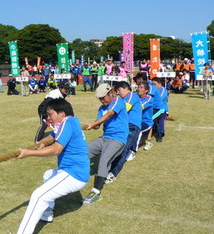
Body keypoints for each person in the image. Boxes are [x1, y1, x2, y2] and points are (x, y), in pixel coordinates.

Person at [16, 99, 89, 234]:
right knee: (48, 175)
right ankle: (47, 212)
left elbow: (56, 149)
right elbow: (51, 137)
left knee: (38, 196)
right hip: (71, 171)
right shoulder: (68, 122)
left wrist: (29, 153)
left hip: (74, 174)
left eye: (50, 114)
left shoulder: (67, 123)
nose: (48, 118)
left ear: (62, 113)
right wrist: (40, 143)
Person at [82, 83, 128, 205]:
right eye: (100, 98)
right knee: (83, 152)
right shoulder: (101, 108)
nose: (102, 100)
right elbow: (98, 125)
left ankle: (96, 192)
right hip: (104, 138)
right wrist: (93, 124)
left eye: (103, 97)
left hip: (118, 139)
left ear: (110, 93)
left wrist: (96, 123)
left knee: (104, 160)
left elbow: (109, 114)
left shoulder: (117, 102)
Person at [106, 81, 142, 183]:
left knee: (124, 149)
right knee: (117, 147)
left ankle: (113, 173)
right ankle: (109, 168)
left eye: (118, 90)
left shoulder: (131, 96)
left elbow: (125, 108)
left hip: (132, 125)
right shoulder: (124, 98)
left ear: (124, 88)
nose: (118, 93)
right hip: (125, 125)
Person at [137, 82, 154, 150]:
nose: (139, 89)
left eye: (141, 88)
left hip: (146, 121)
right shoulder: (136, 97)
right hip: (136, 120)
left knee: (136, 130)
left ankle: (132, 150)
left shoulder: (149, 98)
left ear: (146, 90)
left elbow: (140, 107)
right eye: (138, 87)